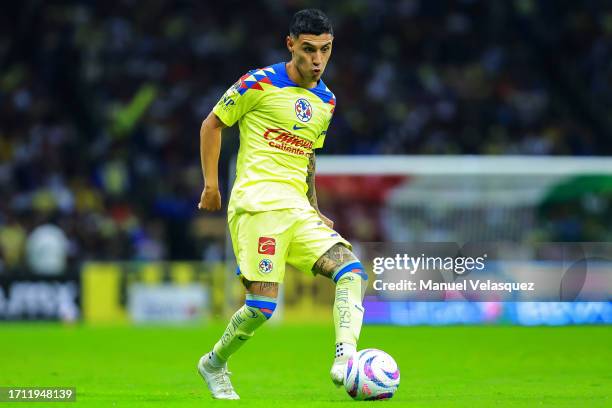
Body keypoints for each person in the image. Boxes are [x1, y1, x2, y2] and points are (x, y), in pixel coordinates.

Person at [197, 9, 367, 400]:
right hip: (257, 204)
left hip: (298, 208)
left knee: (352, 271)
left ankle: (346, 358)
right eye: (308, 50)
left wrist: (314, 205)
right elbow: (212, 124)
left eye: (325, 50)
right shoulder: (258, 83)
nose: (318, 60)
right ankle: (214, 363)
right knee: (262, 307)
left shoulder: (327, 100)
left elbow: (307, 156)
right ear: (291, 45)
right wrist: (210, 185)